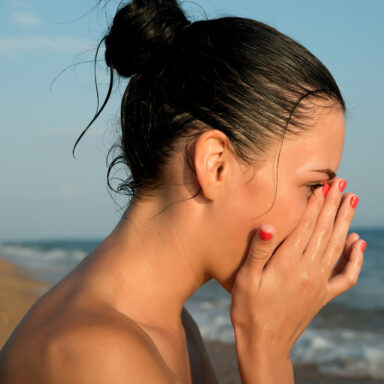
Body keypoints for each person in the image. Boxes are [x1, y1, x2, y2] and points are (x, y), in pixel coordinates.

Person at [0, 1, 366, 383]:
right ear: (215, 164)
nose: (322, 213)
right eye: (312, 186)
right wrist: (268, 352)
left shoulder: (169, 325)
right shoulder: (98, 356)